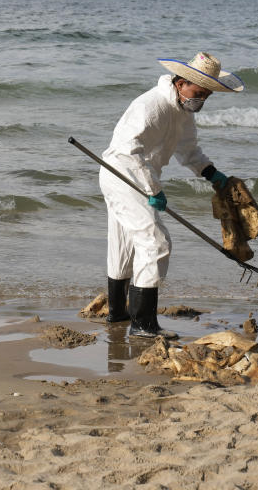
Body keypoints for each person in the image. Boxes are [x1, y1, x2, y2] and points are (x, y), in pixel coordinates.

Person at [100, 52, 244, 338]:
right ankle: (143, 325)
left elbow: (187, 149)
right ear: (181, 83)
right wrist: (154, 190)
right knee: (156, 243)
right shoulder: (151, 106)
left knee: (125, 244)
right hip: (123, 175)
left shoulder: (182, 111)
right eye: (198, 93)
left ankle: (118, 314)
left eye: (206, 95)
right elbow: (128, 151)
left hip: (139, 176)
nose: (200, 100)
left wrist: (210, 173)